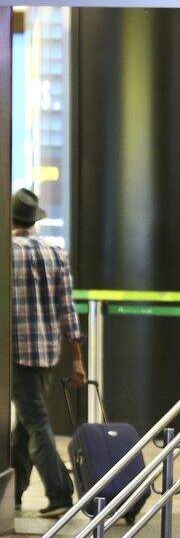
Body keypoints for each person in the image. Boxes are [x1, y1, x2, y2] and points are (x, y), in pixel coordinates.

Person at [11, 189, 85, 518]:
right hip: (47, 354)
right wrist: (77, 358)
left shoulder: (7, 254)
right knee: (26, 424)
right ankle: (12, 493)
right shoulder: (55, 253)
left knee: (35, 421)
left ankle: (60, 493)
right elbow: (68, 311)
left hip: (16, 354)